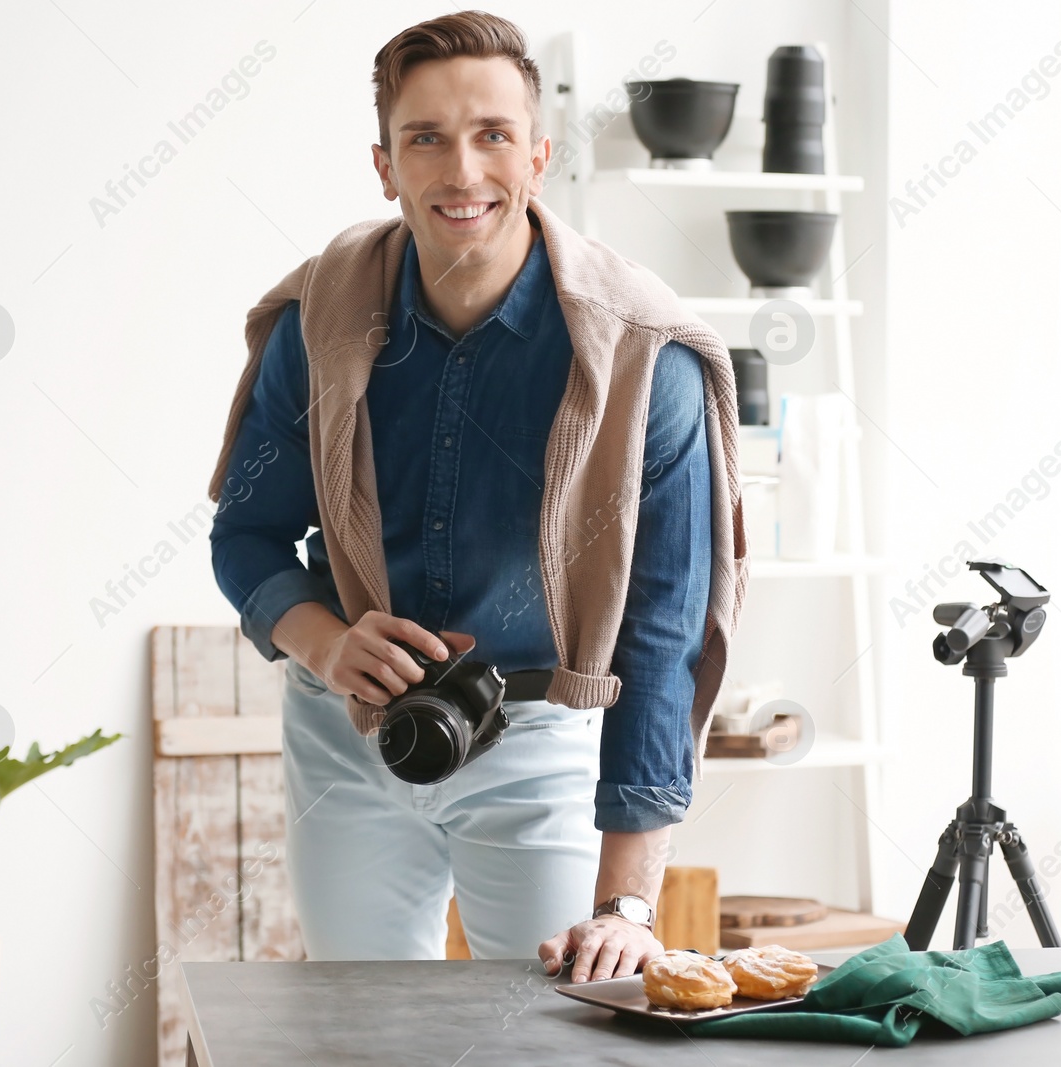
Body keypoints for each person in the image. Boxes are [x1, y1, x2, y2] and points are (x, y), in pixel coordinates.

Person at [207, 9, 743, 985]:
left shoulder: (643, 358)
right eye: (427, 138)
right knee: (363, 1041)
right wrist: (325, 642)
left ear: (537, 155)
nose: (461, 170)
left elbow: (659, 637)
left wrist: (624, 905)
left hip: (537, 735)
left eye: (491, 134)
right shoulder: (314, 323)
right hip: (343, 735)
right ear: (385, 164)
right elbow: (245, 535)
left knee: (552, 1032)